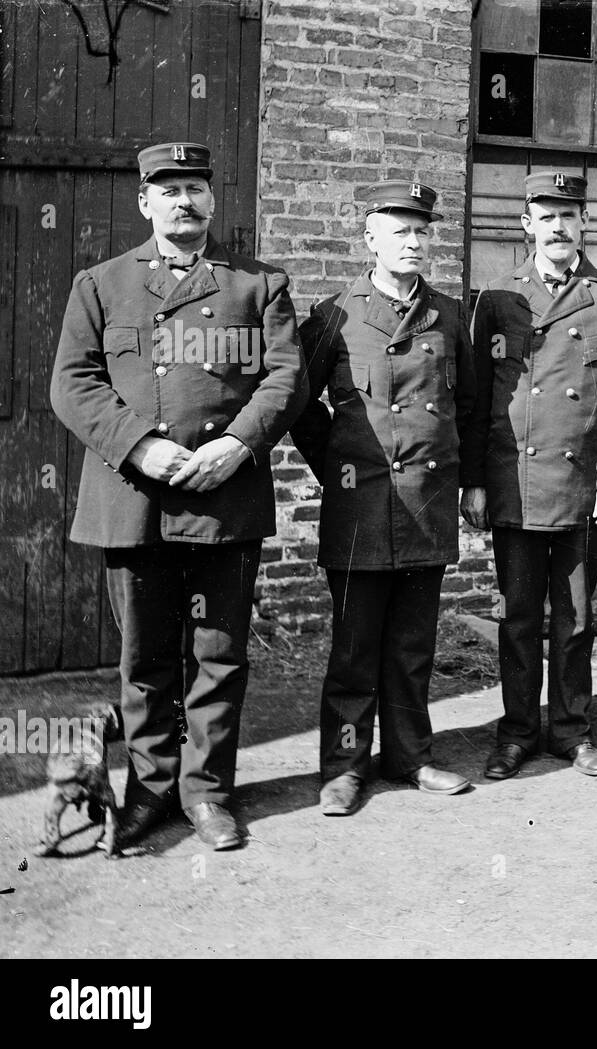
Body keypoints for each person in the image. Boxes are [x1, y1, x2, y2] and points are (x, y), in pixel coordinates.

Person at [49, 141, 307, 850]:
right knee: (147, 658)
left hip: (226, 500)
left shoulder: (258, 285)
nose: (183, 200)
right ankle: (149, 793)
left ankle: (208, 792)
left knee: (219, 653)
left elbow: (286, 380)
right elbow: (72, 384)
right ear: (145, 202)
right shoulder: (100, 285)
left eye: (195, 187)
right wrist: (140, 444)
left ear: (212, 200)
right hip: (133, 500)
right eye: (168, 189)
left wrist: (237, 445)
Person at [290, 181, 476, 816]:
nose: (415, 241)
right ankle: (344, 768)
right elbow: (296, 405)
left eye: (423, 231)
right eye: (400, 231)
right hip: (360, 510)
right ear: (370, 241)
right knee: (354, 647)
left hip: (425, 505)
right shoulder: (335, 315)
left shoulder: (450, 315)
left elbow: (468, 406)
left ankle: (411, 757)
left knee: (413, 645)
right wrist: (341, 464)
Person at [460, 172, 597, 780]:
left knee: (575, 617)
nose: (559, 227)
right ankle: (516, 733)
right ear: (527, 225)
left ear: (584, 223)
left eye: (569, 215)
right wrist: (474, 481)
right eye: (547, 216)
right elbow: (476, 398)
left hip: (583, 486)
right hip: (515, 480)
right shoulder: (495, 299)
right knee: (518, 618)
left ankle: (571, 731)